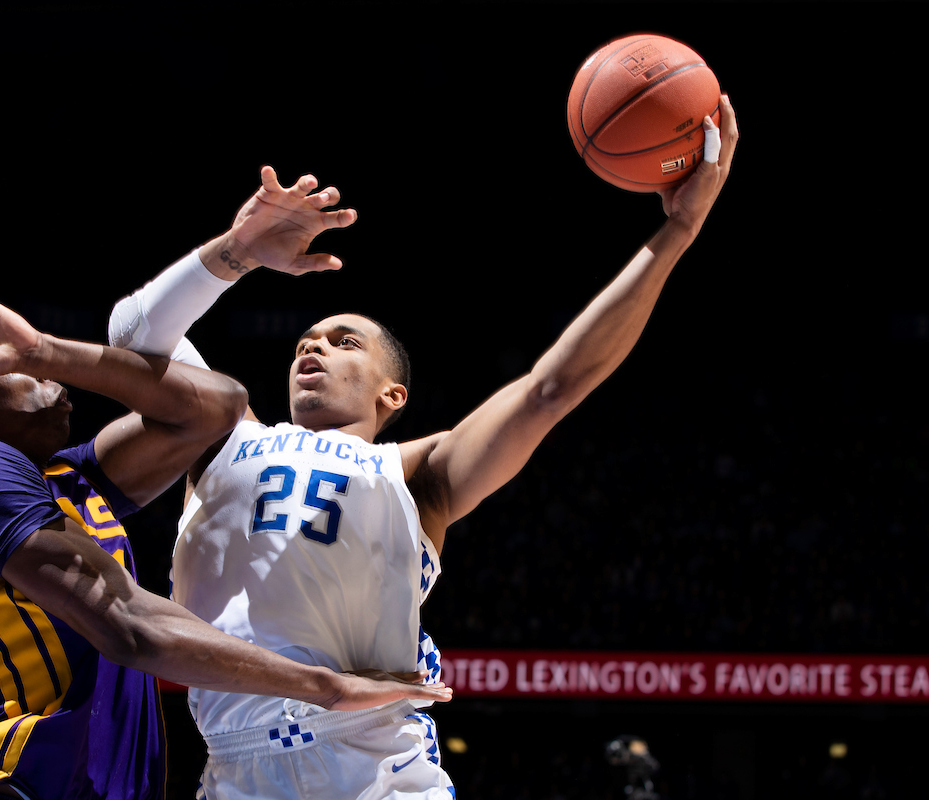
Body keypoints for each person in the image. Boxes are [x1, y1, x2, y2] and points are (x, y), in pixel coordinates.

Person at [107, 94, 739, 799]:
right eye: (304, 342)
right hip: (233, 769)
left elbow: (551, 388)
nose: (313, 347)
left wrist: (678, 231)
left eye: (343, 342)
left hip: (376, 772)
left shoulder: (416, 472)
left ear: (392, 396)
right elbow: (130, 332)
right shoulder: (224, 433)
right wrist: (234, 255)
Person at [0, 276, 452, 800]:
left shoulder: (70, 480)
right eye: (14, 368)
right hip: (18, 782)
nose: (45, 377)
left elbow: (216, 406)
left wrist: (239, 251)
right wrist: (327, 687)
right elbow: (130, 624)